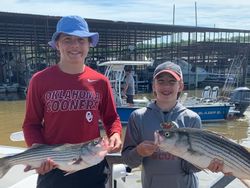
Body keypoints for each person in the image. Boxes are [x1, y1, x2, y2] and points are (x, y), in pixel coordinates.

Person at [22, 15, 122, 188]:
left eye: (81, 40)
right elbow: (31, 125)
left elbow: (111, 118)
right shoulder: (40, 80)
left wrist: (115, 134)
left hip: (92, 167)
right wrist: (39, 156)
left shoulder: (100, 81)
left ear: (89, 44)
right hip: (53, 168)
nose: (75, 45)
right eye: (68, 39)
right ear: (58, 44)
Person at [121, 61, 226, 188]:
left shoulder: (192, 119)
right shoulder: (137, 117)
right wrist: (138, 152)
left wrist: (208, 164)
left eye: (172, 82)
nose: (166, 87)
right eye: (161, 81)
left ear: (181, 86)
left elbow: (189, 167)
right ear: (153, 85)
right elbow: (128, 161)